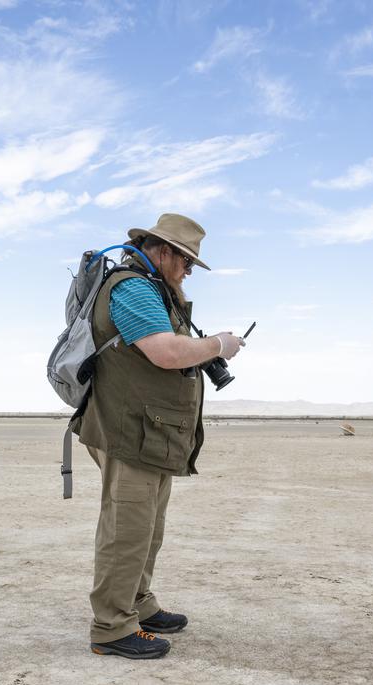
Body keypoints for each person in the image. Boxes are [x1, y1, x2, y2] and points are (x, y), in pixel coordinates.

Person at [71, 214, 245, 659]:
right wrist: (217, 345)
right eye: (186, 262)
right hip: (128, 431)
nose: (188, 272)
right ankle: (112, 627)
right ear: (163, 251)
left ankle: (138, 604)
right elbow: (165, 352)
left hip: (148, 431)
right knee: (126, 530)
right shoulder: (133, 288)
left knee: (147, 527)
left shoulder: (153, 288)